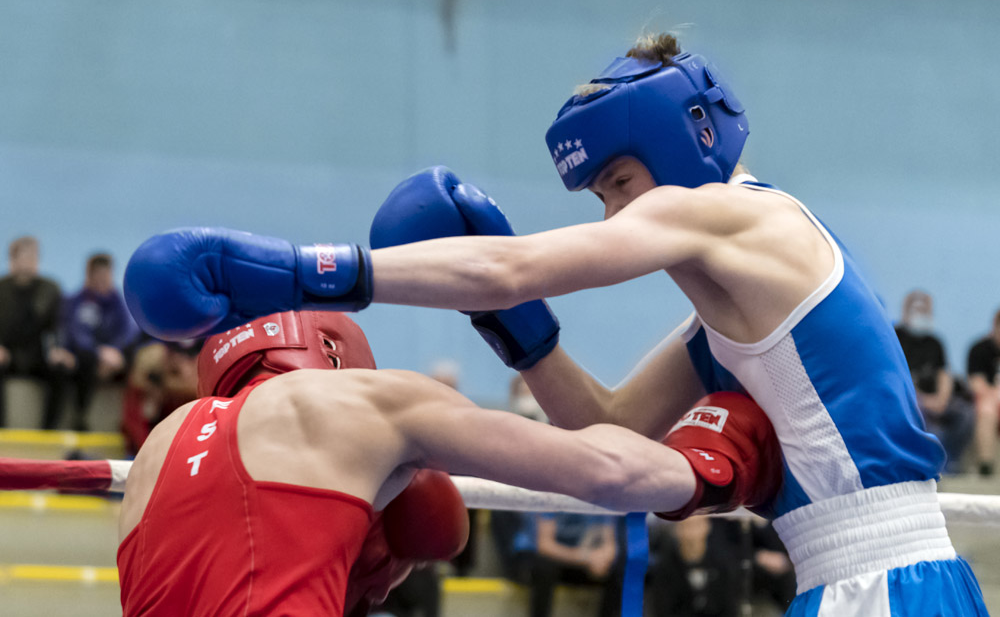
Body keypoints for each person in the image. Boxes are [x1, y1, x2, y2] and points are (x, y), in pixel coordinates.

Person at [122, 33, 985, 614]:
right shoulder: (730, 318)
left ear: (687, 137)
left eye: (619, 184)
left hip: (879, 577)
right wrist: (514, 328)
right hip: (864, 577)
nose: (615, 215)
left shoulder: (739, 213)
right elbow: (606, 423)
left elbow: (513, 266)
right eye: (602, 197)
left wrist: (293, 272)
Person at [118, 308, 781, 616]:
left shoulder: (160, 443)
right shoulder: (362, 401)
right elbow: (599, 467)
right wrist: (704, 471)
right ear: (340, 355)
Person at [894, 290, 974, 474]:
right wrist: (922, 399)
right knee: (927, 422)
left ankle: (952, 461)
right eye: (918, 310)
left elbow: (944, 373)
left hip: (935, 399)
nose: (922, 315)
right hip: (911, 400)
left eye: (926, 310)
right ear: (906, 311)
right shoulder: (895, 338)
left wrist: (942, 399)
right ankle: (929, 466)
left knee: (966, 414)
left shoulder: (934, 342)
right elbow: (896, 376)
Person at [0, 235, 73, 428]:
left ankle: (50, 429)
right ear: (12, 259)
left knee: (60, 369)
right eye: (22, 257)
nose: (27, 263)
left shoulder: (50, 289)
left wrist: (57, 349)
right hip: (8, 354)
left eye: (31, 257)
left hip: (38, 354)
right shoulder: (2, 289)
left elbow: (57, 324)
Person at [61, 253, 140, 431]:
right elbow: (76, 334)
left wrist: (115, 351)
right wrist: (99, 353)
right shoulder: (76, 302)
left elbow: (129, 331)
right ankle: (80, 416)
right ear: (89, 275)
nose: (103, 280)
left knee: (137, 359)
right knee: (84, 358)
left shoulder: (119, 301)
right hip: (89, 357)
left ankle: (132, 423)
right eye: (98, 275)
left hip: (114, 358)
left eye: (106, 275)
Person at [967, 309, 1000, 477]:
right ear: (995, 327)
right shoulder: (980, 349)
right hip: (988, 402)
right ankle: (985, 464)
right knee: (987, 408)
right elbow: (976, 384)